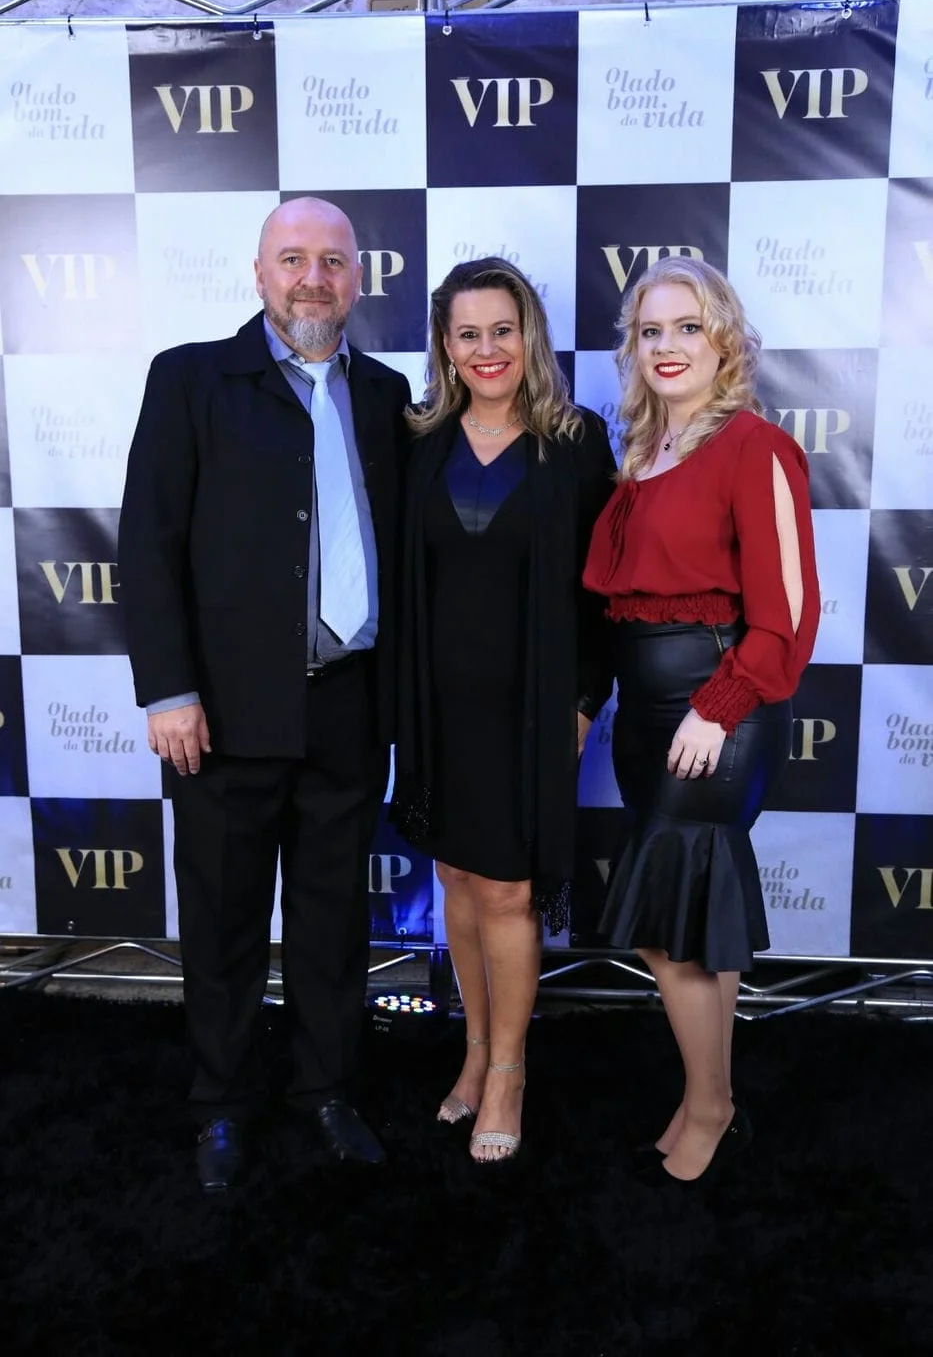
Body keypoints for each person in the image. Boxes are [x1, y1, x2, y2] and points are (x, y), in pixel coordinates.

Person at [118, 197, 411, 1192]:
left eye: (332, 261)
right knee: (224, 924)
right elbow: (148, 544)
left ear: (358, 279)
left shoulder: (388, 394)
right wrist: (168, 689)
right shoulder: (191, 377)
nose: (312, 278)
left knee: (334, 926)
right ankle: (222, 1106)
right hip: (222, 715)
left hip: (349, 708)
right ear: (258, 273)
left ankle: (327, 1092)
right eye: (293, 259)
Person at [582, 256, 820, 1188]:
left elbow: (786, 614)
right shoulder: (640, 453)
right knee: (691, 919)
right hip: (643, 716)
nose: (667, 346)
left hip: (720, 708)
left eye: (688, 327)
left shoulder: (755, 446)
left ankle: (711, 1106)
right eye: (651, 331)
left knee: (663, 927)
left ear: (724, 340)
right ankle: (706, 1097)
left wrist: (717, 710)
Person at [390, 257, 615, 1163]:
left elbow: (602, 592)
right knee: (454, 879)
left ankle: (511, 1072)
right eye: (467, 333)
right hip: (437, 707)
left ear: (530, 336)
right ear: (445, 346)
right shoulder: (419, 439)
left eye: (502, 330)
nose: (486, 349)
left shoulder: (576, 440)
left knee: (510, 890)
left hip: (531, 712)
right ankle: (475, 1051)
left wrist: (584, 702)